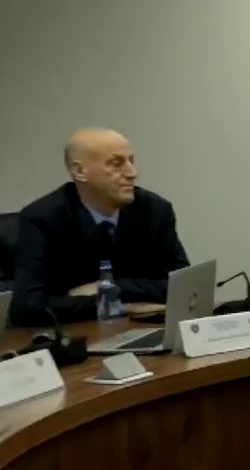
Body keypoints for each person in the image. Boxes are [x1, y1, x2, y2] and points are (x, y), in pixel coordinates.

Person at [10, 128, 189, 326]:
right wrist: (121, 307)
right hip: (76, 336)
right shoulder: (44, 218)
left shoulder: (154, 210)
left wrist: (111, 287)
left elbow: (184, 286)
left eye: (131, 161)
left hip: (142, 331)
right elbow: (28, 307)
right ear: (79, 171)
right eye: (116, 164)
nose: (132, 173)